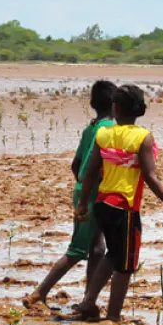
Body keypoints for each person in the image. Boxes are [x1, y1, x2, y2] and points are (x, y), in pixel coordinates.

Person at [71, 85, 163, 322]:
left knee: (112, 254)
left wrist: (82, 203)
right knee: (125, 266)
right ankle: (113, 316)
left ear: (115, 108)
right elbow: (151, 177)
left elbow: (89, 172)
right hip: (125, 208)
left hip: (102, 204)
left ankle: (88, 301)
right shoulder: (143, 137)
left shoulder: (104, 134)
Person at [24, 80, 116, 309]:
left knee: (98, 249)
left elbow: (76, 164)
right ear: (115, 106)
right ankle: (39, 294)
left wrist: (82, 188)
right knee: (77, 250)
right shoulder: (108, 131)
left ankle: (88, 299)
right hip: (93, 194)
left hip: (85, 191)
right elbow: (95, 167)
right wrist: (88, 193)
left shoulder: (90, 129)